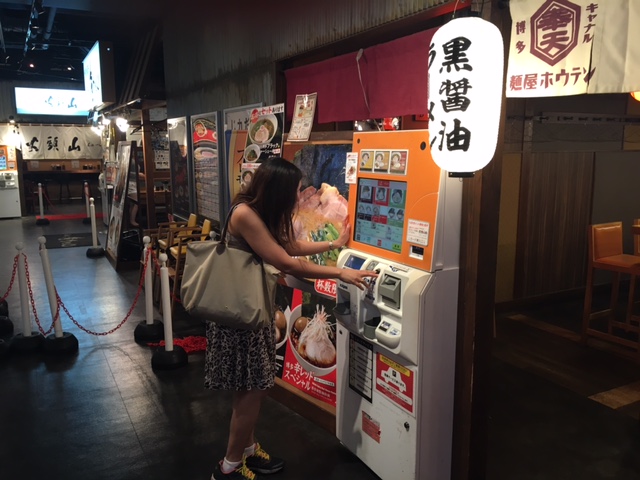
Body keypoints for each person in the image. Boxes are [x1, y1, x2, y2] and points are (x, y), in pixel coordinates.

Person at [208, 157, 377, 480]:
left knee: (250, 388)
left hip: (250, 312)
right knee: (251, 391)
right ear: (278, 190)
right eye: (296, 190)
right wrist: (341, 271)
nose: (299, 197)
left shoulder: (254, 210)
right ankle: (228, 467)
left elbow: (288, 245)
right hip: (240, 317)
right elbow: (288, 263)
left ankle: (247, 450)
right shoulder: (245, 214)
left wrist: (334, 244)